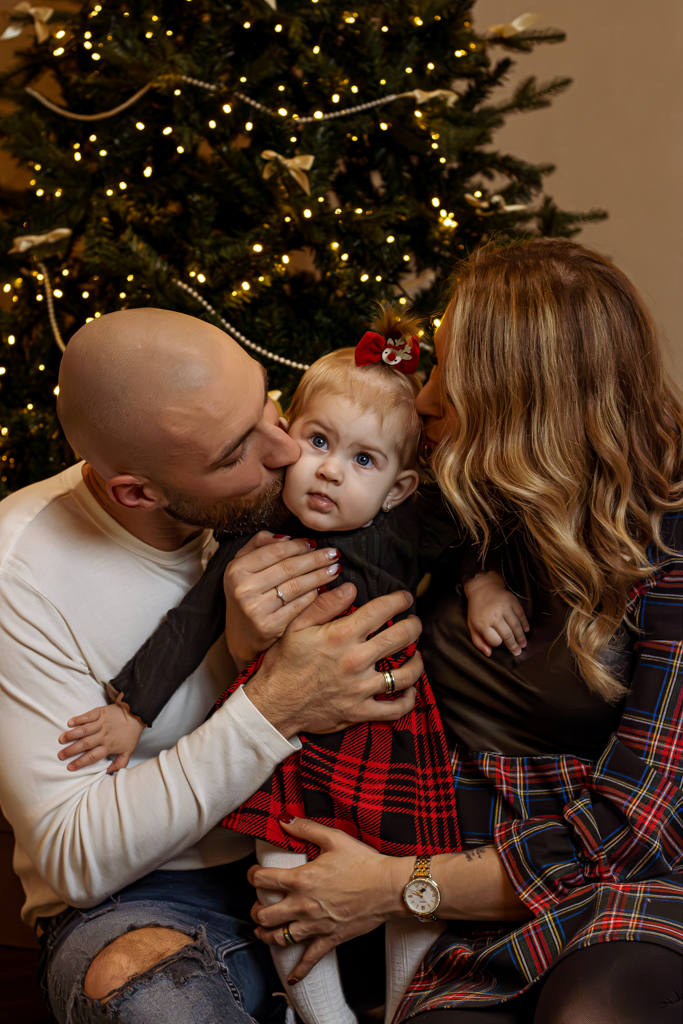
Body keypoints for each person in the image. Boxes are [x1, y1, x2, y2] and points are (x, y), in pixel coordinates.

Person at [240, 240, 683, 1023]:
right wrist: (248, 621)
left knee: (594, 1010)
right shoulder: (457, 498)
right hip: (467, 904)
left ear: (517, 397)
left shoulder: (667, 543)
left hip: (630, 891)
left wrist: (397, 885)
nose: (425, 395)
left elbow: (635, 832)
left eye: (446, 369)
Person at [57, 306, 529, 1024]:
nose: (329, 470)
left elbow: (473, 537)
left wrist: (484, 585)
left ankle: (406, 1009)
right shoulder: (256, 529)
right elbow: (191, 621)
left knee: (409, 863)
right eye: (317, 441)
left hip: (391, 736)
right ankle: (323, 1016)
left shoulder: (411, 523)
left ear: (399, 486)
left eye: (363, 460)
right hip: (286, 744)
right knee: (284, 876)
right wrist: (131, 710)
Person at [0, 308, 426, 1024]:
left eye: (267, 403)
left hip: (344, 831)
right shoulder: (20, 572)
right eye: (235, 453)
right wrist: (272, 701)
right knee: (143, 993)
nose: (287, 451)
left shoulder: (310, 498)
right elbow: (75, 860)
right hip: (156, 895)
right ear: (138, 492)